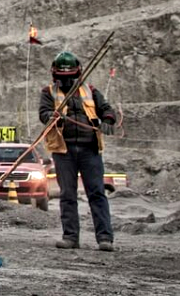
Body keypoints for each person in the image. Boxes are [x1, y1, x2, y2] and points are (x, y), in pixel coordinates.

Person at [40, 50, 117, 252]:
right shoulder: (48, 92)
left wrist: (108, 119)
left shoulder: (90, 90)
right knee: (68, 194)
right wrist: (52, 116)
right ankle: (71, 237)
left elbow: (107, 109)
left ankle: (105, 238)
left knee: (97, 193)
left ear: (78, 73)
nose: (66, 81)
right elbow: (43, 113)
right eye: (62, 77)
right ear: (55, 75)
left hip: (90, 149)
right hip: (63, 150)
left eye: (70, 77)